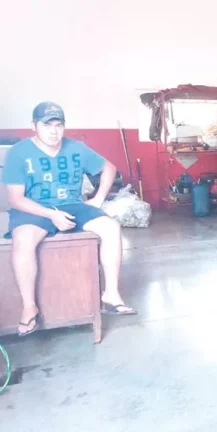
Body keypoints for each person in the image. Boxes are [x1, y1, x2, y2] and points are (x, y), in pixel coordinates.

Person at [2, 102, 137, 337]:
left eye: (59, 125)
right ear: (34, 126)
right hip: (34, 208)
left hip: (73, 206)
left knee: (111, 227)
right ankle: (29, 306)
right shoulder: (18, 152)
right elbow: (15, 198)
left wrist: (98, 199)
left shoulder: (77, 148)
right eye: (47, 125)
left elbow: (109, 168)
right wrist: (50, 214)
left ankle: (111, 294)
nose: (54, 131)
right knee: (23, 239)